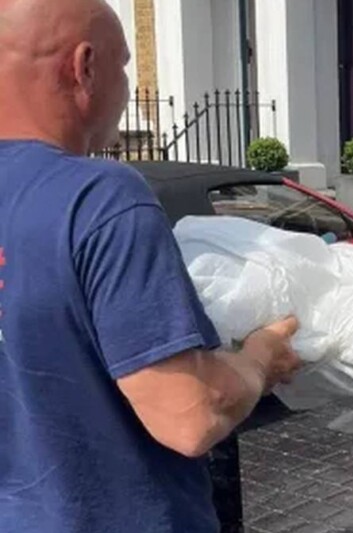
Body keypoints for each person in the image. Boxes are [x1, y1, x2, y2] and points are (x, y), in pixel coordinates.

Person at [0, 1, 303, 531]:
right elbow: (189, 415)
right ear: (84, 67)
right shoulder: (99, 198)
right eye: (123, 66)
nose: (126, 89)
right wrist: (258, 360)